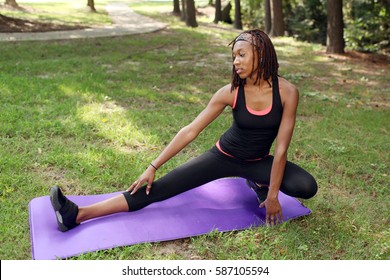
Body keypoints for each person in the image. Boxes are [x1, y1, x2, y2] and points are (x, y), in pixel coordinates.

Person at [50, 29, 318, 232]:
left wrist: (272, 196)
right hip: (222, 157)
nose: (235, 61)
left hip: (259, 162)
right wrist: (153, 165)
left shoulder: (287, 92)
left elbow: (281, 148)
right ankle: (78, 214)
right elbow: (190, 131)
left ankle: (257, 182)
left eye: (241, 55)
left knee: (306, 186)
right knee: (159, 189)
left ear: (261, 52)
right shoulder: (231, 92)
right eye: (233, 56)